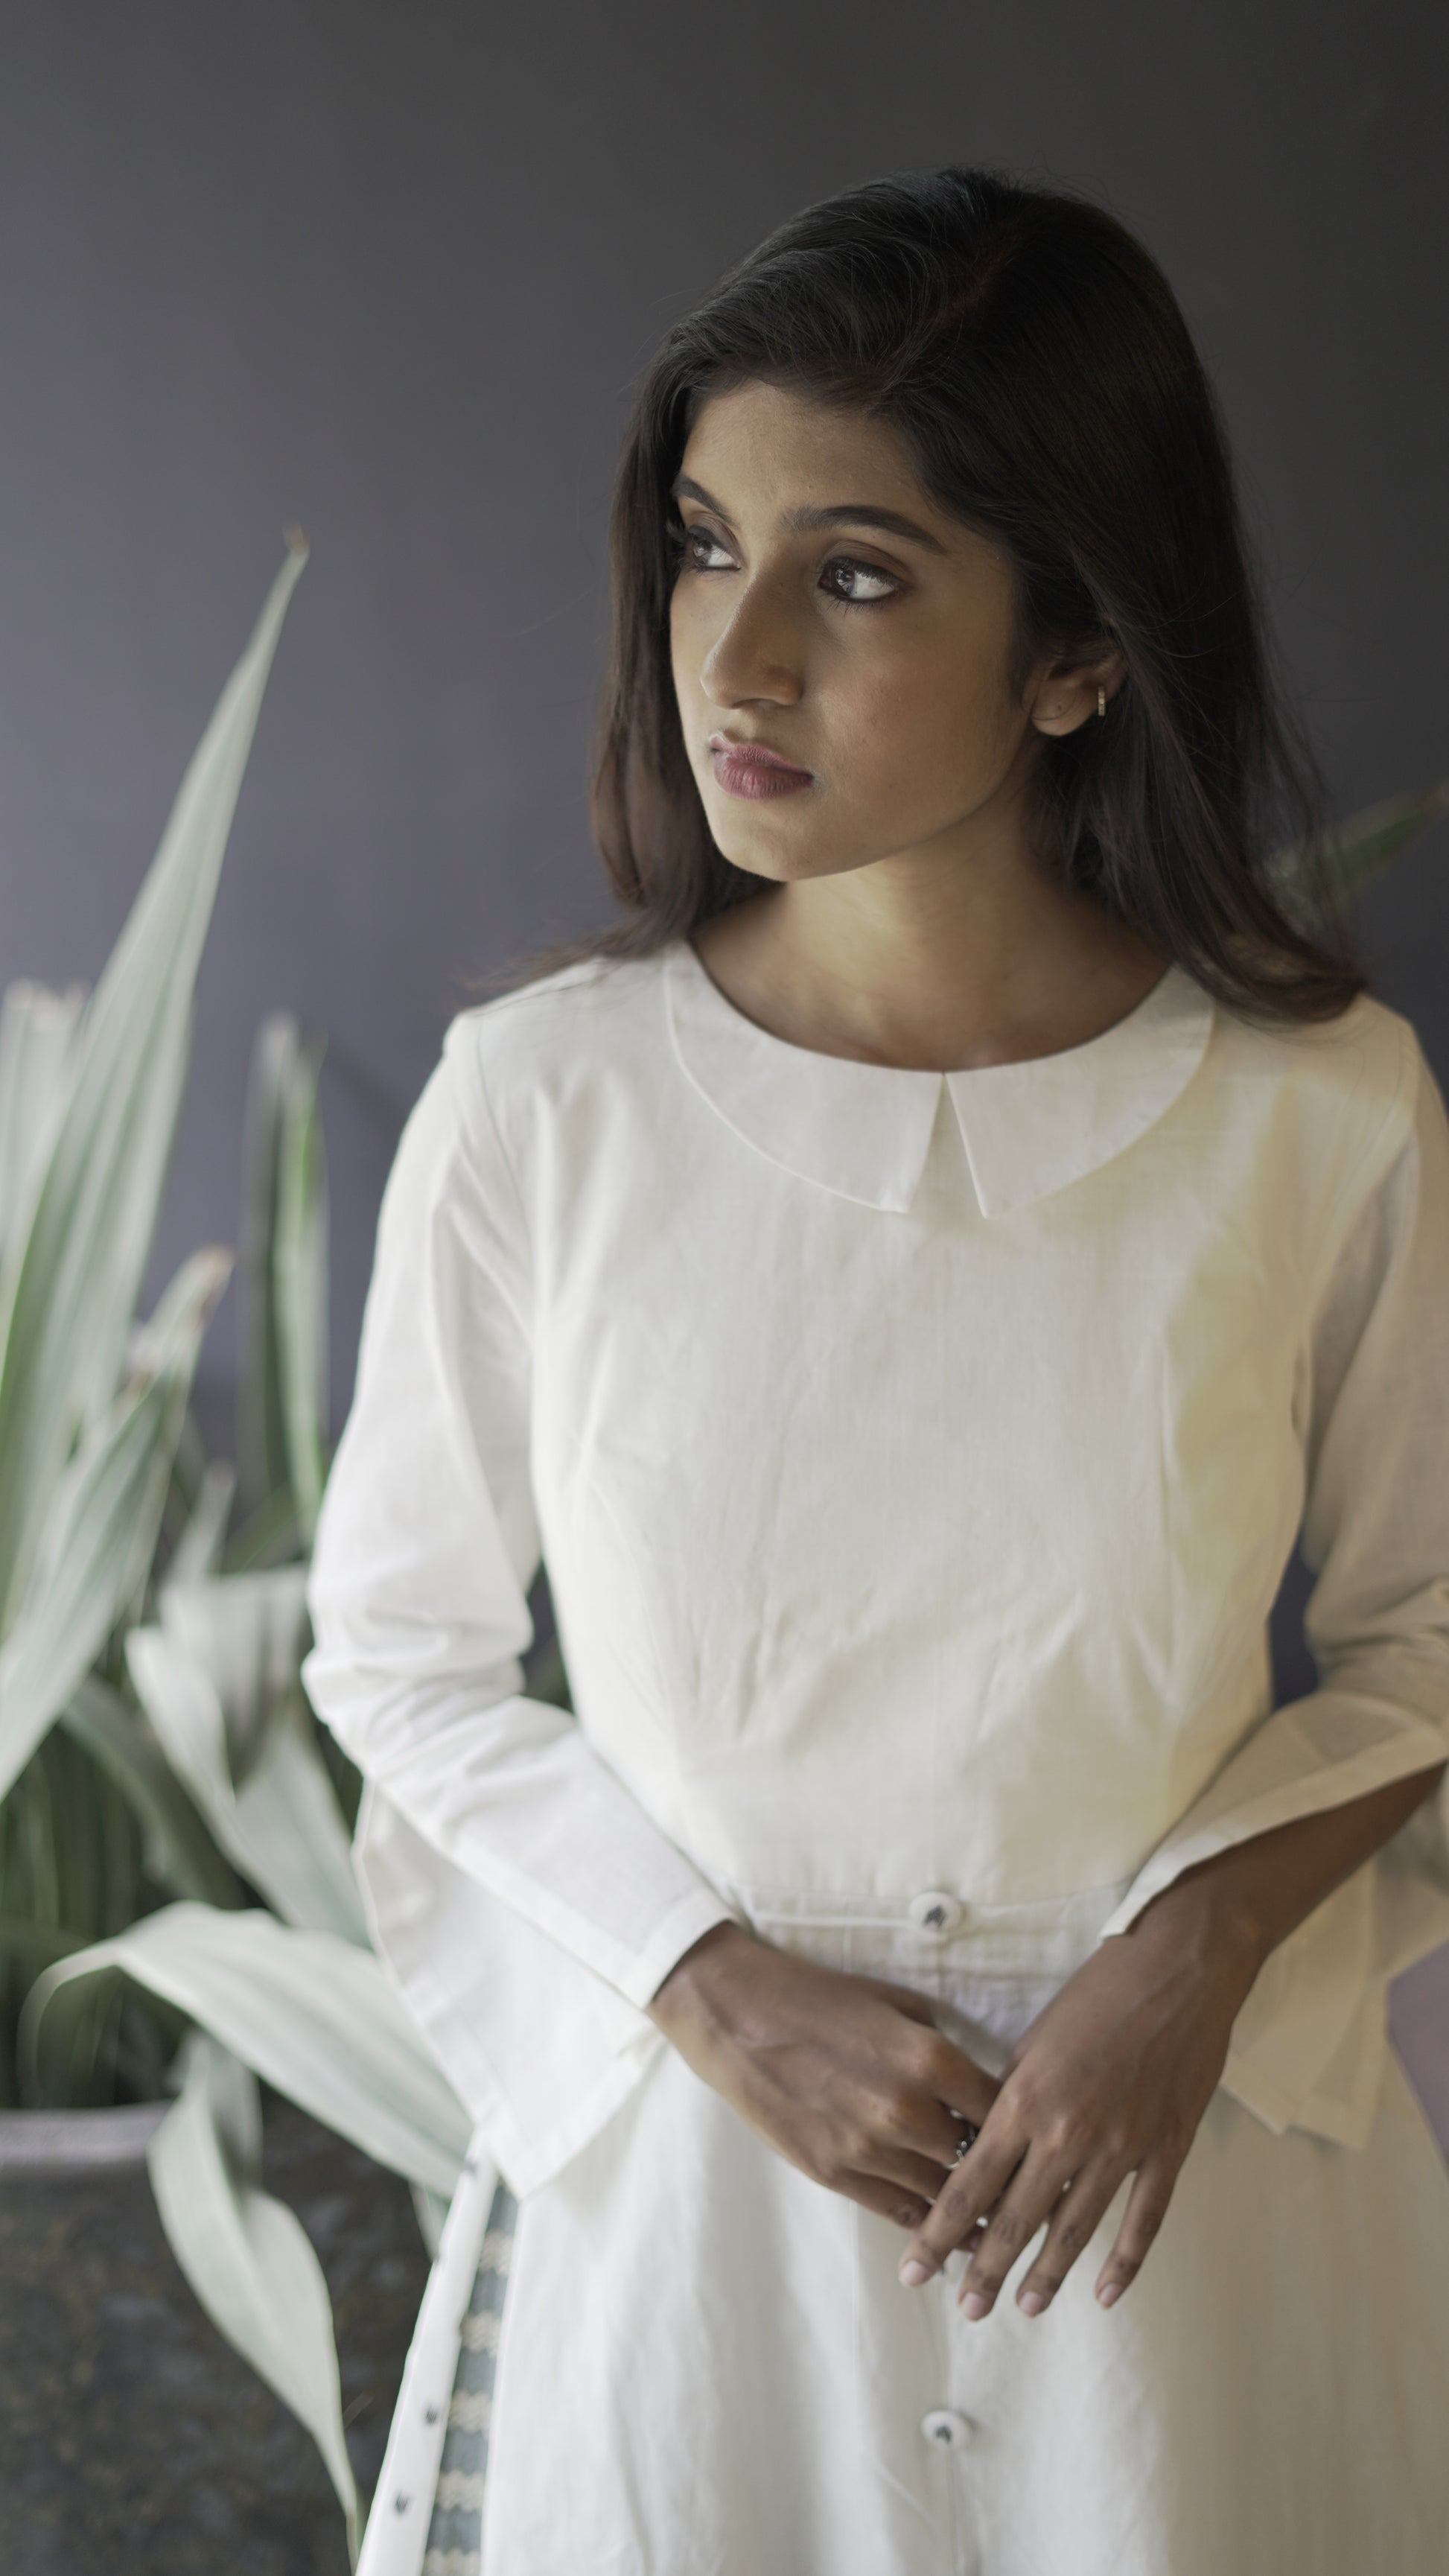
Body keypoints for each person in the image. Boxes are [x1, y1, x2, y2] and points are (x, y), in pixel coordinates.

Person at [304, 166, 1449, 2576]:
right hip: (704, 2233)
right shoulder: (542, 1106)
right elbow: (399, 1656)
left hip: (1171, 2224)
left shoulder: (1319, 1112)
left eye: (852, 575)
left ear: (1077, 651)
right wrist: (707, 1988)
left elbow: (1426, 1637)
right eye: (703, 546)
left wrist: (1194, 1955)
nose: (731, 661)